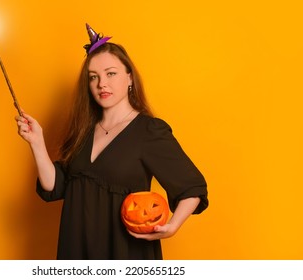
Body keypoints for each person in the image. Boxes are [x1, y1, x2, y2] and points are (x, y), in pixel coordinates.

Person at [16, 24, 208, 260]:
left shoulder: (149, 131)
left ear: (129, 77)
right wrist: (36, 142)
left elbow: (192, 187)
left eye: (111, 73)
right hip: (77, 252)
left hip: (125, 255)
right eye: (93, 77)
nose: (101, 84)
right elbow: (55, 186)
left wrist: (172, 227)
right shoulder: (83, 130)